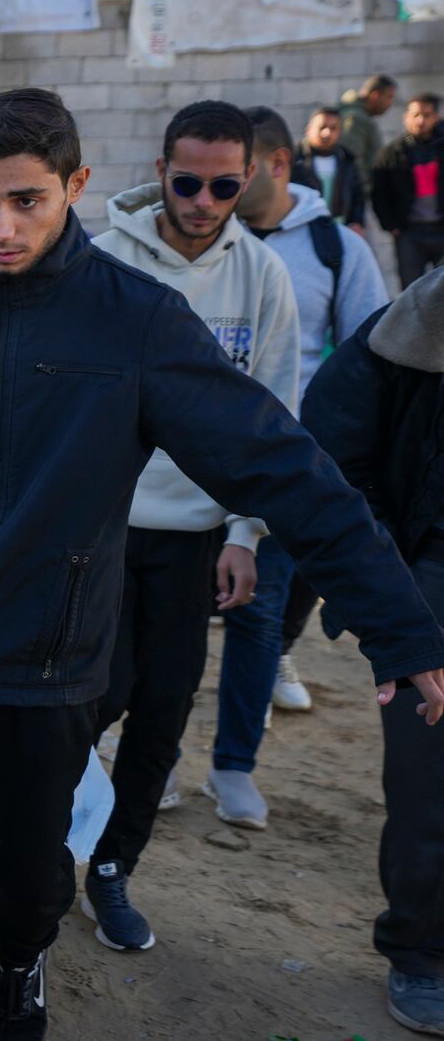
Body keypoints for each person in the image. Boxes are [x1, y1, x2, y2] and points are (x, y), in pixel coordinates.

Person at [0, 86, 444, 1041]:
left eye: (27, 200)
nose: (0, 227)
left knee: (31, 877)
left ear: (76, 185)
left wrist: (399, 625)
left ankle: (20, 971)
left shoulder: (139, 322)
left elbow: (282, 464)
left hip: (44, 666)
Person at [80, 100, 299, 950]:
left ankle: (110, 867)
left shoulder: (263, 277)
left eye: (222, 184)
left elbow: (269, 415)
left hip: (196, 538)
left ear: (247, 178)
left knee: (163, 710)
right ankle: (37, 846)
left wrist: (245, 533)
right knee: (85, 701)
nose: (203, 201)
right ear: (160, 168)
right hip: (96, 527)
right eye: (186, 181)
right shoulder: (101, 261)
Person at [302, 266, 444, 1037]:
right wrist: (391, 581)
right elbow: (331, 454)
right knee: (431, 783)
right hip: (430, 577)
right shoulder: (407, 329)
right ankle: (421, 952)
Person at [220, 105, 389, 741]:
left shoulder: (336, 248)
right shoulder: (208, 236)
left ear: (278, 164)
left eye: (238, 174)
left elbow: (368, 352)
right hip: (195, 452)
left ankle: (261, 682)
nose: (221, 191)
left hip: (292, 452)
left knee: (271, 600)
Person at [373, 92, 444, 288]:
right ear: (406, 117)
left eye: (427, 115)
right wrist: (391, 225)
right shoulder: (392, 152)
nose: (421, 121)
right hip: (409, 233)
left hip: (441, 229)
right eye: (416, 115)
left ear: (436, 117)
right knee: (410, 292)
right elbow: (380, 192)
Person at [291, 105, 367, 231]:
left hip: (340, 228)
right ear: (309, 129)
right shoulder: (294, 160)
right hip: (302, 227)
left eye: (333, 128)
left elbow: (358, 196)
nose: (327, 133)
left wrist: (357, 221)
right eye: (322, 127)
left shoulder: (348, 160)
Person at [340, 73, 398, 192]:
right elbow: (352, 159)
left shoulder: (361, 116)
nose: (390, 104)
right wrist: (363, 191)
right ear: (375, 95)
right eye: (389, 97)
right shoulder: (355, 118)